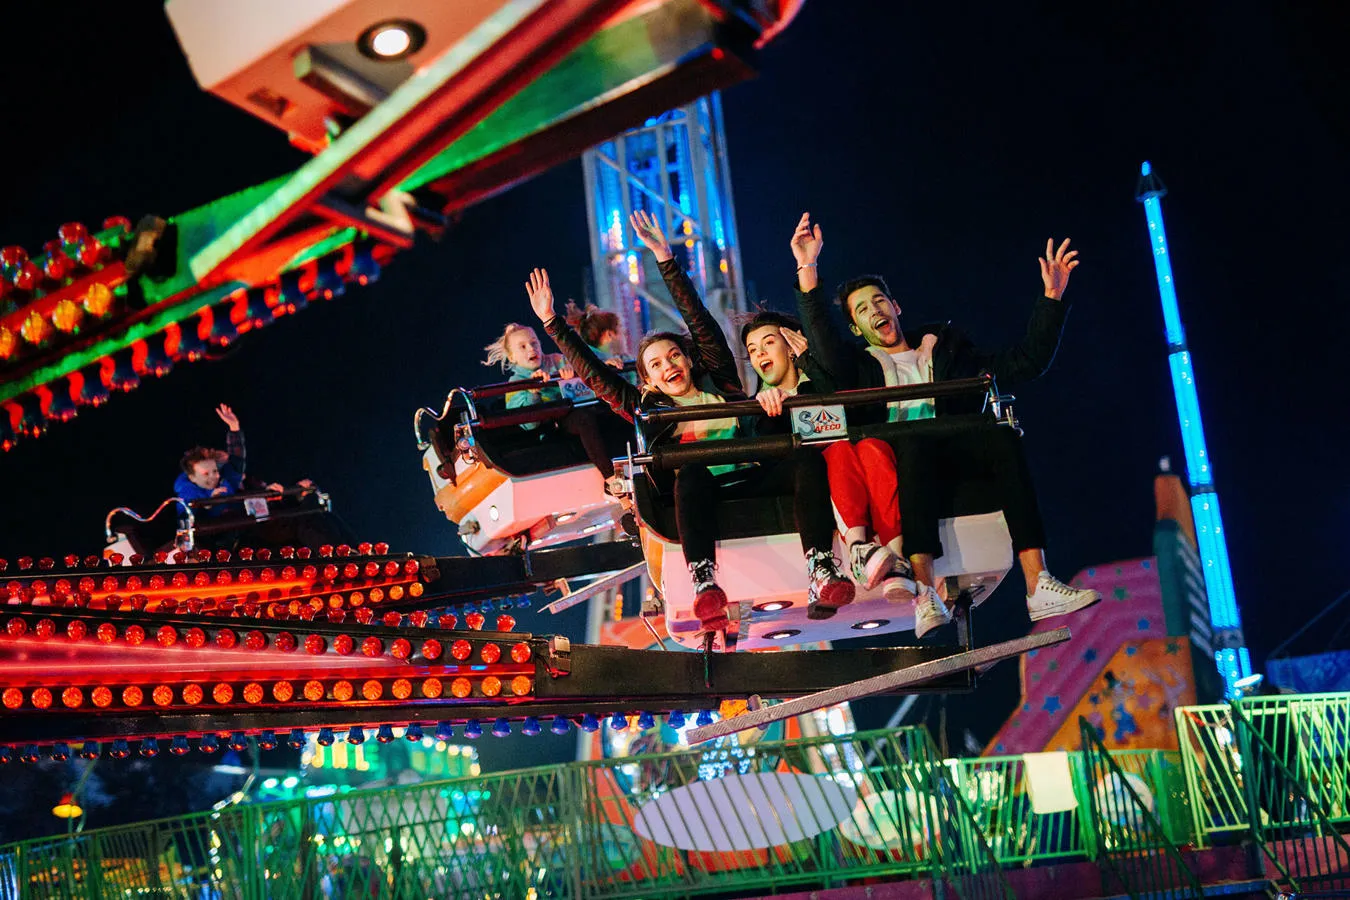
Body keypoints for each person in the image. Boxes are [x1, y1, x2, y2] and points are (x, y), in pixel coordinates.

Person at [526, 210, 853, 630]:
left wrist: (666, 258)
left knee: (805, 461)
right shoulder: (649, 411)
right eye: (656, 365)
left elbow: (699, 321)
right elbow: (595, 376)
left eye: (674, 356)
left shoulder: (721, 384)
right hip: (702, 493)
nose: (669, 367)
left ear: (687, 358)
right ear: (648, 380)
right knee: (692, 473)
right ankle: (704, 580)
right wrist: (552, 323)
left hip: (751, 476)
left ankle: (821, 568)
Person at [789, 212, 1101, 636]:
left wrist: (1051, 299)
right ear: (856, 328)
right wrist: (808, 268)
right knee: (914, 443)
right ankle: (923, 593)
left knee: (1003, 437)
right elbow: (825, 344)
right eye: (862, 309)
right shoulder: (859, 366)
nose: (874, 310)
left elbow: (1024, 361)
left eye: (880, 300)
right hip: (905, 453)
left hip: (957, 443)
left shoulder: (947, 348)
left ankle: (1037, 582)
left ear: (896, 307)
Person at [742, 311, 916, 605]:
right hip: (811, 479)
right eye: (753, 350)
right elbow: (767, 456)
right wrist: (765, 407)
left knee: (871, 447)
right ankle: (859, 548)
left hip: (855, 466)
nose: (760, 355)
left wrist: (809, 361)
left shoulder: (821, 381)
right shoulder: (760, 405)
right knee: (838, 450)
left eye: (768, 343)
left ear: (791, 344)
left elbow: (850, 409)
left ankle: (897, 557)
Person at [482, 322, 615, 480]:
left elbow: (585, 363)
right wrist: (534, 391)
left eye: (534, 343)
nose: (531, 349)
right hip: (549, 428)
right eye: (523, 347)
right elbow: (529, 425)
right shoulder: (515, 383)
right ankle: (611, 478)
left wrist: (602, 366)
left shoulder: (557, 360)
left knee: (609, 410)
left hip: (578, 410)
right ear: (512, 357)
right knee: (583, 418)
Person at [174, 404, 285, 515]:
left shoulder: (225, 482)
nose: (214, 476)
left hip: (240, 527)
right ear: (192, 477)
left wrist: (267, 493)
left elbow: (237, 462)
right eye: (206, 474)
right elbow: (186, 517)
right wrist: (207, 503)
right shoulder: (187, 492)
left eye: (215, 471)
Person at [565, 301, 627, 368]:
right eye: (621, 330)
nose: (625, 335)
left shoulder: (582, 357)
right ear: (609, 335)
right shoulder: (588, 362)